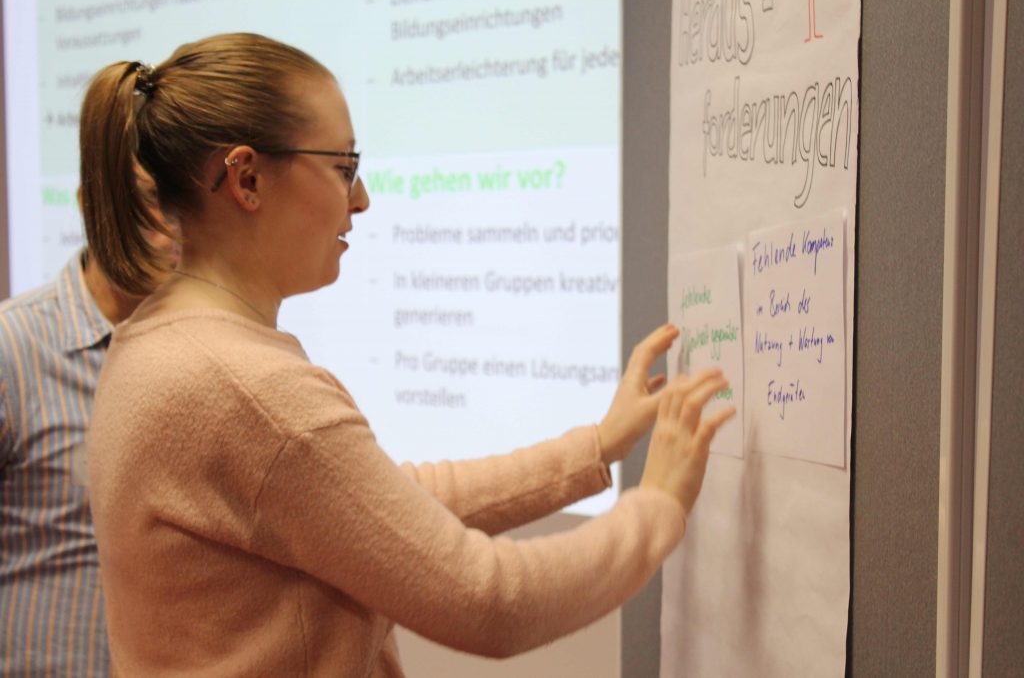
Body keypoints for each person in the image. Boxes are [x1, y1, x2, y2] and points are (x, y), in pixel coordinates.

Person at [82, 33, 735, 677]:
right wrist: (658, 507)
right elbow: (490, 602)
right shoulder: (249, 390)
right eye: (343, 168)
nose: (362, 199)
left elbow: (379, 510)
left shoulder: (153, 340)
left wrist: (597, 446)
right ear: (247, 178)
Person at [0, 165, 177, 677]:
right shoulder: (13, 348)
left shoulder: (211, 354)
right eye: (152, 199)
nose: (177, 224)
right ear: (90, 206)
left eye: (188, 200)